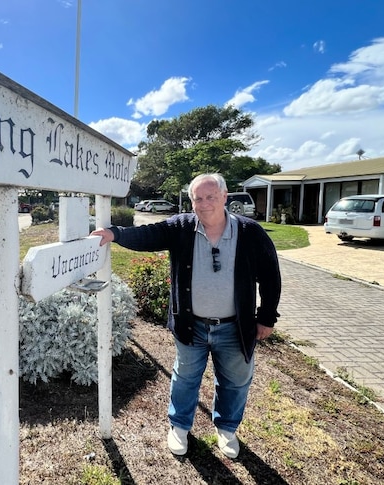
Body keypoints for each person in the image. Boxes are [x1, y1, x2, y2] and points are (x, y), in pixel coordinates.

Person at [91, 173, 281, 458]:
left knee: (235, 381)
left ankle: (227, 429)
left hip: (235, 327)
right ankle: (179, 427)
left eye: (210, 197)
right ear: (191, 201)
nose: (204, 204)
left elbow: (270, 276)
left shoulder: (250, 232)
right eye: (198, 199)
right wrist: (115, 233)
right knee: (185, 378)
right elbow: (149, 234)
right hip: (191, 325)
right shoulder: (181, 227)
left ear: (224, 197)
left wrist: (266, 317)